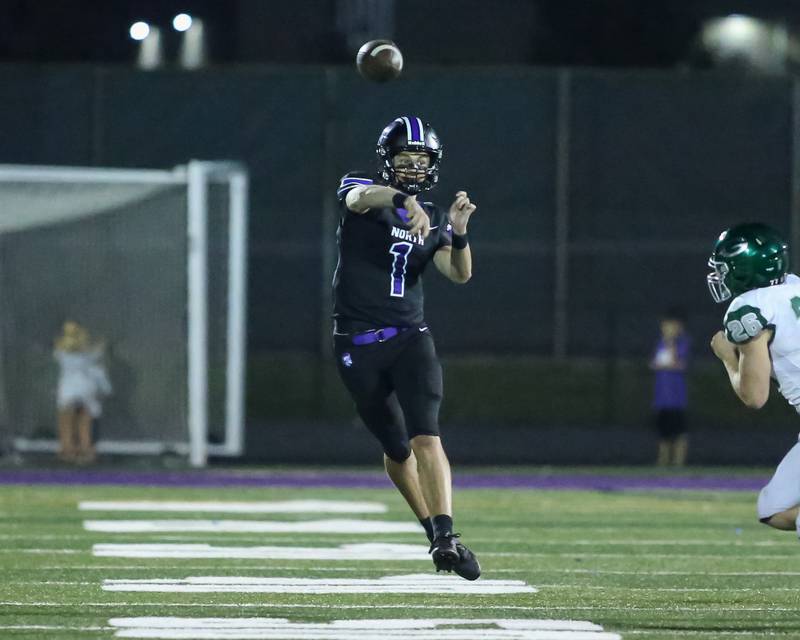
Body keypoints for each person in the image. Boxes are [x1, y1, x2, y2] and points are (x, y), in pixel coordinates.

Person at [332, 115, 480, 580]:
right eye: (406, 159)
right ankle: (430, 530)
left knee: (426, 436)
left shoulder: (433, 215)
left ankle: (446, 534)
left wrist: (458, 233)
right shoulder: (364, 189)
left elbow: (459, 273)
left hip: (410, 337)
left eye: (422, 160)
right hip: (357, 341)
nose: (414, 167)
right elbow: (360, 197)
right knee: (397, 450)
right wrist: (399, 198)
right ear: (388, 161)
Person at [708, 223, 800, 535]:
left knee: (775, 510)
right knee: (773, 508)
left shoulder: (750, 309)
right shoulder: (794, 287)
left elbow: (754, 395)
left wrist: (727, 357)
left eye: (724, 268)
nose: (719, 276)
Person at [54, 321, 112, 464]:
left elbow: (60, 348)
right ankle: (86, 450)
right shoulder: (88, 356)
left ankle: (67, 450)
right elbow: (96, 352)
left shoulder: (61, 354)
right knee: (84, 424)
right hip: (85, 390)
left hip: (67, 391)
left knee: (66, 424)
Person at [649, 308, 690, 466]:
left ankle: (678, 463)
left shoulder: (683, 342)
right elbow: (654, 363)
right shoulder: (660, 343)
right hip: (661, 397)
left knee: (680, 432)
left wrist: (671, 342)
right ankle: (662, 462)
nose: (666, 329)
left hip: (677, 397)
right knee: (663, 433)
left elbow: (677, 363)